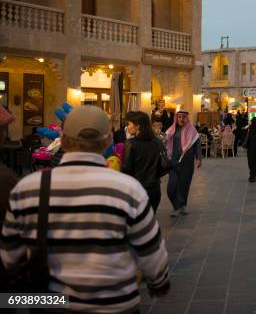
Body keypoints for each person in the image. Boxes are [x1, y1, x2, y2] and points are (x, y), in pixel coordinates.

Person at [0, 105, 170, 311]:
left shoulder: (28, 188)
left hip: (52, 303)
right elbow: (152, 252)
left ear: (62, 140)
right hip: (114, 304)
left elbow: (10, 255)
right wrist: (158, 284)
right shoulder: (128, 189)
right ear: (108, 141)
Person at [122, 111, 164, 212]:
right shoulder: (157, 142)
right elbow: (161, 165)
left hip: (137, 190)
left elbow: (126, 169)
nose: (127, 127)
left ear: (137, 126)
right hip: (154, 189)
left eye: (129, 124)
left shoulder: (130, 143)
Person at [166, 110, 202, 217]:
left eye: (183, 117)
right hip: (173, 162)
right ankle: (177, 205)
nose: (181, 119)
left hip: (187, 162)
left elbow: (197, 145)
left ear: (187, 118)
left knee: (184, 185)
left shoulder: (192, 131)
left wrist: (199, 158)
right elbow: (165, 143)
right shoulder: (171, 130)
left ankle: (182, 205)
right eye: (179, 117)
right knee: (171, 186)